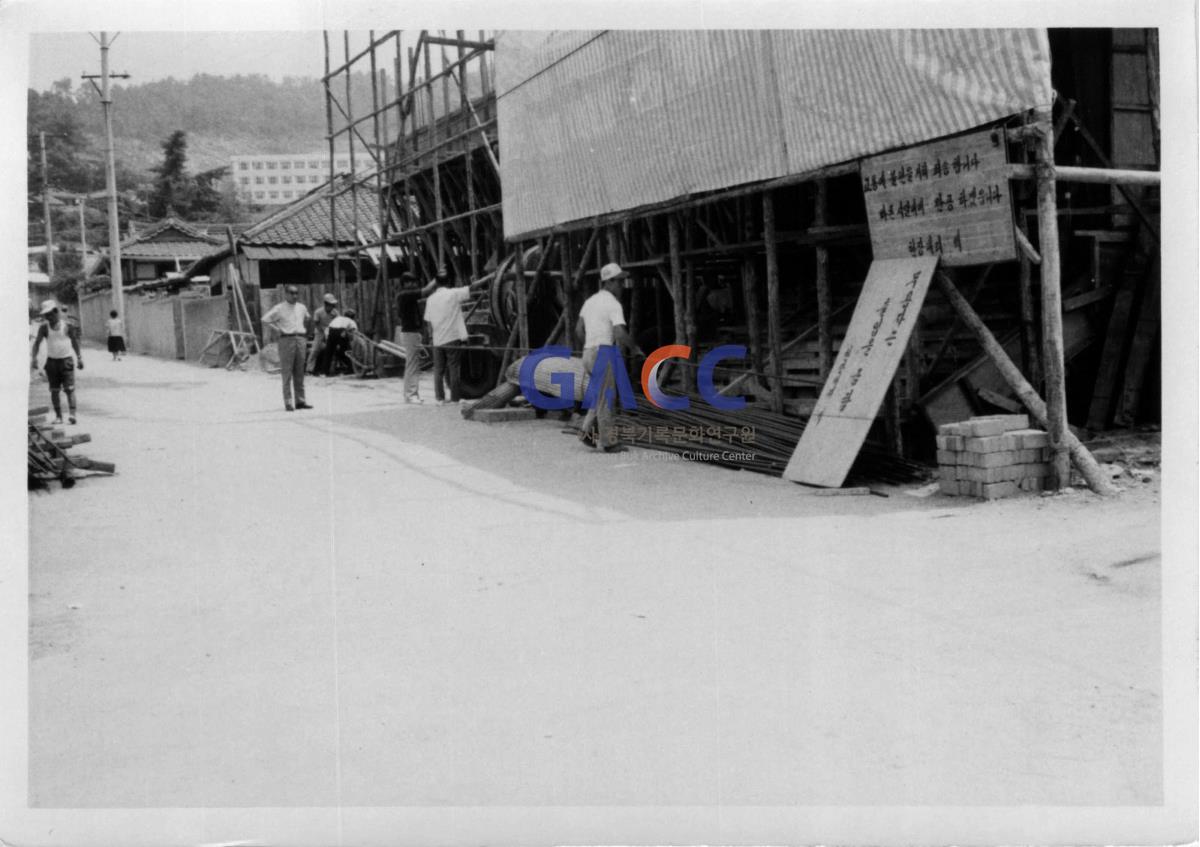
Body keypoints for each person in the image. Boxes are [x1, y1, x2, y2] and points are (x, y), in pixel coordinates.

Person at [574, 263, 643, 451]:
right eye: (620, 282)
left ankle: (587, 432)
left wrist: (590, 344)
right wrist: (635, 349)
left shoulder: (590, 301)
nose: (622, 285)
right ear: (609, 282)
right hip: (602, 352)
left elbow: (578, 329)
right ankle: (609, 442)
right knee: (607, 398)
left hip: (588, 353)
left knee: (599, 396)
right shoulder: (613, 304)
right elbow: (619, 332)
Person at [422, 268, 488, 405]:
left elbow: (428, 322)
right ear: (449, 281)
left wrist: (430, 338)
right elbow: (472, 287)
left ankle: (439, 398)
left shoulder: (430, 299)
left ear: (436, 283)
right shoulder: (453, 294)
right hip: (452, 337)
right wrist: (485, 278)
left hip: (437, 339)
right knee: (454, 368)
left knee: (438, 370)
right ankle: (455, 399)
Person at [30, 299, 84, 425]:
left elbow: (74, 343)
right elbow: (37, 343)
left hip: (66, 361)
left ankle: (72, 414)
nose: (48, 317)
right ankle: (59, 416)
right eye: (46, 315)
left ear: (56, 312)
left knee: (70, 389)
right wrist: (34, 358)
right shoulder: (44, 328)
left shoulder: (67, 326)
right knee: (54, 391)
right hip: (52, 363)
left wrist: (79, 358)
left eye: (50, 314)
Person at [261, 285, 312, 411]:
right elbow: (265, 319)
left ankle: (300, 401)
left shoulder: (301, 307)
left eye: (296, 293)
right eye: (291, 293)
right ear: (286, 294)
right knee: (287, 372)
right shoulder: (279, 308)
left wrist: (303, 331)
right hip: (286, 339)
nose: (294, 295)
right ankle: (288, 402)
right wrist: (278, 329)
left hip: (300, 339)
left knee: (299, 371)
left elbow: (308, 318)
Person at [396, 271, 436, 403]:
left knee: (413, 364)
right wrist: (438, 278)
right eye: (412, 282)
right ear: (405, 283)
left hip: (411, 333)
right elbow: (426, 291)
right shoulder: (405, 295)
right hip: (410, 333)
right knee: (412, 365)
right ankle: (410, 394)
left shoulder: (406, 296)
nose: (414, 285)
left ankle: (412, 393)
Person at [307, 293, 339, 375]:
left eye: (333, 305)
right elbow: (316, 323)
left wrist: (330, 332)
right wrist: (323, 331)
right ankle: (309, 369)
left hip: (331, 331)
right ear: (326, 304)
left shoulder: (335, 313)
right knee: (315, 349)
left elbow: (338, 322)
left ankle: (333, 368)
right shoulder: (318, 312)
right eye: (331, 305)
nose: (332, 307)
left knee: (333, 349)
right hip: (319, 331)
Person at [324, 308, 359, 376]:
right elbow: (355, 332)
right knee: (346, 351)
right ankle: (351, 369)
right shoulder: (351, 321)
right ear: (352, 317)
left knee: (328, 353)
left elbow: (328, 328)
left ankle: (325, 372)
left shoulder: (338, 318)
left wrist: (327, 338)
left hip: (331, 331)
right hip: (340, 331)